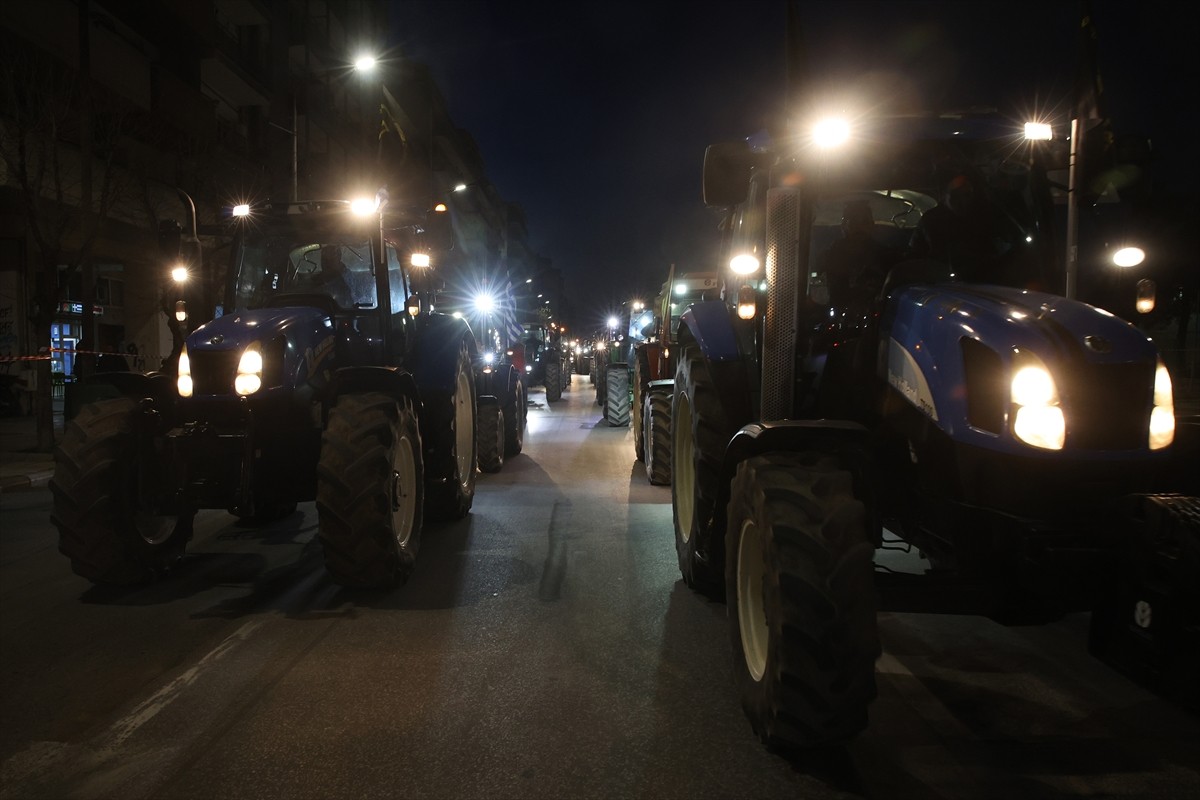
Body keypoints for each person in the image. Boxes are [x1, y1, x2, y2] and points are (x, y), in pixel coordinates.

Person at [909, 174, 1001, 279]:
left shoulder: (977, 218)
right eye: (957, 195)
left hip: (977, 280)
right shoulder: (931, 219)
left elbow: (989, 250)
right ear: (946, 195)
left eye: (967, 195)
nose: (963, 200)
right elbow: (919, 253)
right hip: (940, 281)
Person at [819, 199, 897, 310]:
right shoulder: (829, 256)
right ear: (844, 225)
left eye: (865, 222)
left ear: (872, 225)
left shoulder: (886, 256)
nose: (859, 227)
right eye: (854, 221)